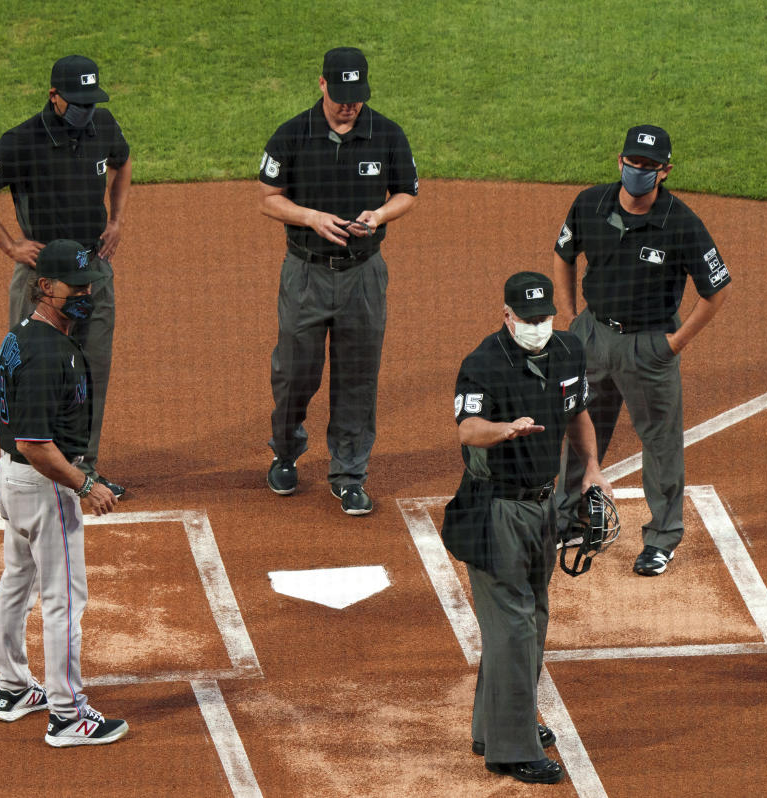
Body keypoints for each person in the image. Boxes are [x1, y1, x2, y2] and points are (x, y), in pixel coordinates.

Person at [441, 272, 611, 785]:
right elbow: (468, 427)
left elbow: (578, 411)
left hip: (544, 507)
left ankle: (491, 726)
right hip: (495, 511)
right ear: (507, 316)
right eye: (528, 319)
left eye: (545, 318)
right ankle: (509, 749)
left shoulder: (567, 351)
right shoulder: (483, 365)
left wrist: (593, 473)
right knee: (514, 628)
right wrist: (504, 430)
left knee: (531, 620)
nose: (538, 326)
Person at [552, 124, 731, 576]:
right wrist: (571, 316)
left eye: (650, 167)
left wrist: (674, 344)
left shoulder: (682, 223)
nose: (639, 171)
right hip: (592, 335)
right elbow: (563, 253)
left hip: (649, 346)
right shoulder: (590, 203)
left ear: (665, 172)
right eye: (634, 163)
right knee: (579, 422)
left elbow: (716, 290)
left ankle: (662, 538)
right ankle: (568, 518)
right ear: (620, 161)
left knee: (661, 443)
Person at [257, 46, 418, 515]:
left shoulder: (386, 133)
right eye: (341, 95)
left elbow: (407, 192)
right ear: (323, 85)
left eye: (357, 96)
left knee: (358, 377)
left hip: (364, 275)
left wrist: (380, 214)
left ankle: (349, 474)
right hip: (305, 273)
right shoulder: (292, 134)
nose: (350, 105)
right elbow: (268, 198)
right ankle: (286, 452)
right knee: (294, 373)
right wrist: (310, 217)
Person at [0, 54, 131, 498]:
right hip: (43, 281)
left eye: (91, 102)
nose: (86, 110)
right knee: (37, 368)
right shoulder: (22, 141)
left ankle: (82, 469)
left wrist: (115, 221)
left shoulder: (103, 125)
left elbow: (123, 162)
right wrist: (10, 246)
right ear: (54, 97)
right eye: (77, 102)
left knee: (91, 370)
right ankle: (30, 471)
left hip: (94, 272)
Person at [0, 239, 128, 747]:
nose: (86, 293)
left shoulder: (25, 334)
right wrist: (85, 484)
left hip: (15, 482)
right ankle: (68, 715)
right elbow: (34, 443)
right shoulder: (48, 353)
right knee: (64, 600)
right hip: (43, 484)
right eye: (76, 286)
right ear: (45, 287)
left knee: (17, 580)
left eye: (90, 283)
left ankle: (12, 689)